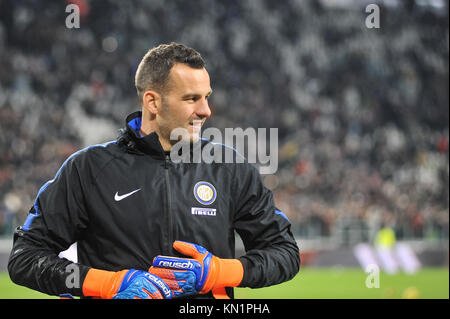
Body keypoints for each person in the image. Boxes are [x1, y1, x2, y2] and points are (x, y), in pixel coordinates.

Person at [8, 42, 300, 299]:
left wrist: (219, 271)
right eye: (191, 99)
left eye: (206, 96)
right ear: (153, 101)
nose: (206, 110)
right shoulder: (88, 169)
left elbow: (284, 252)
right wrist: (108, 283)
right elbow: (25, 257)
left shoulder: (230, 169)